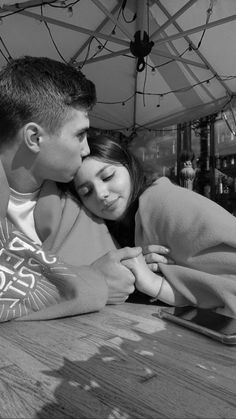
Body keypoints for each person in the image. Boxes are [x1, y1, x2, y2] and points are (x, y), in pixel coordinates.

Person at [0, 55, 152, 322]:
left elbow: (121, 277)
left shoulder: (76, 203)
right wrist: (94, 280)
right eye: (79, 135)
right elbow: (105, 280)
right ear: (34, 138)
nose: (85, 148)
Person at [74, 135, 236, 318]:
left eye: (108, 176)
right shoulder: (114, 229)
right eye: (86, 192)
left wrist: (153, 282)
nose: (101, 194)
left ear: (129, 166)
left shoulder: (164, 203)